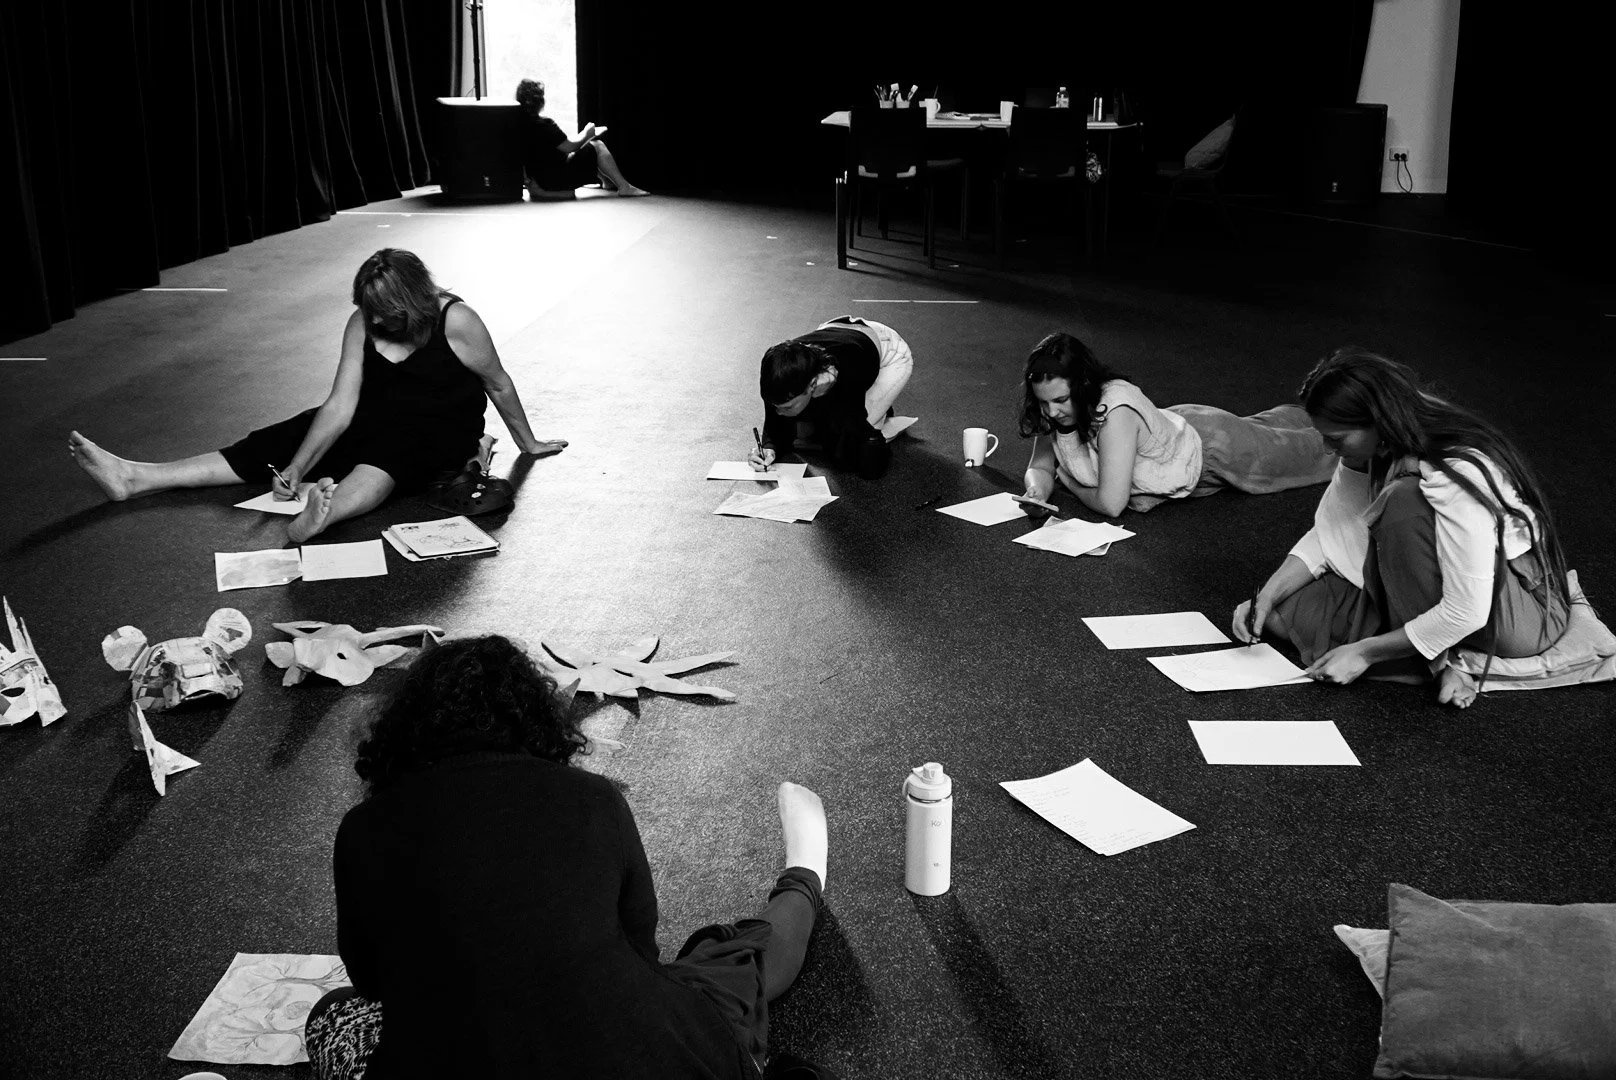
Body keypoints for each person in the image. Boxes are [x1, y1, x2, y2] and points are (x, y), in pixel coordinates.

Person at [301, 635, 830, 1079]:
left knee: (331, 1016)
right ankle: (804, 873)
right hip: (633, 1053)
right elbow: (641, 949)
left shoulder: (363, 829)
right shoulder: (590, 797)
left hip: (452, 1054)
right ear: (537, 723)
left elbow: (372, 983)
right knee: (730, 972)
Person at [68, 249, 567, 544]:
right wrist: (297, 469)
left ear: (413, 301)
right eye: (367, 309)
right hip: (375, 417)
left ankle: (315, 521)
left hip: (440, 433)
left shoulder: (457, 320)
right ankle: (136, 477)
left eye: (383, 311)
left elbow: (498, 382)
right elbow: (339, 406)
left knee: (388, 455)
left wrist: (530, 443)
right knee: (290, 432)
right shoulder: (362, 323)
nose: (372, 321)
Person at [1231, 349, 1572, 708]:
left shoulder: (1456, 470)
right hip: (1434, 590)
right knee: (1284, 617)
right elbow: (1335, 530)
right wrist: (1266, 596)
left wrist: (1364, 652)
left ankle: (1447, 660)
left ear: (1377, 422)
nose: (1328, 449)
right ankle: (1430, 653)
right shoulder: (1370, 449)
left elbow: (1468, 611)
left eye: (1337, 437)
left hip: (1512, 617)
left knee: (1403, 502)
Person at [1017, 332, 1337, 518]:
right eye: (1043, 402)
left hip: (1212, 446)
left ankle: (1376, 430)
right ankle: (1305, 415)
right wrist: (1038, 491)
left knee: (1318, 454)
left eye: (1060, 400)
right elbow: (1041, 466)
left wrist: (1068, 483)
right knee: (1278, 427)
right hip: (1176, 433)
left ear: (1082, 385)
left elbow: (1112, 504)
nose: (1052, 411)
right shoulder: (1055, 412)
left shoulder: (1113, 414)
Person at [748, 316, 914, 480]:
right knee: (805, 430)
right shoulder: (779, 374)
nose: (779, 412)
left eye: (787, 407)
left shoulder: (846, 378)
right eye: (776, 405)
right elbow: (775, 426)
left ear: (812, 385)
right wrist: (769, 448)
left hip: (888, 350)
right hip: (836, 331)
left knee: (848, 449)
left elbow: (865, 462)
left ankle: (880, 411)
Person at [515, 78, 648, 199]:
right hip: (556, 180)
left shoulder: (518, 125)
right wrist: (587, 133)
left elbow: (557, 146)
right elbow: (569, 147)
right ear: (540, 101)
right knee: (597, 145)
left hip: (541, 180)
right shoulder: (544, 124)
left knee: (586, 148)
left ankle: (607, 182)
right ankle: (624, 187)